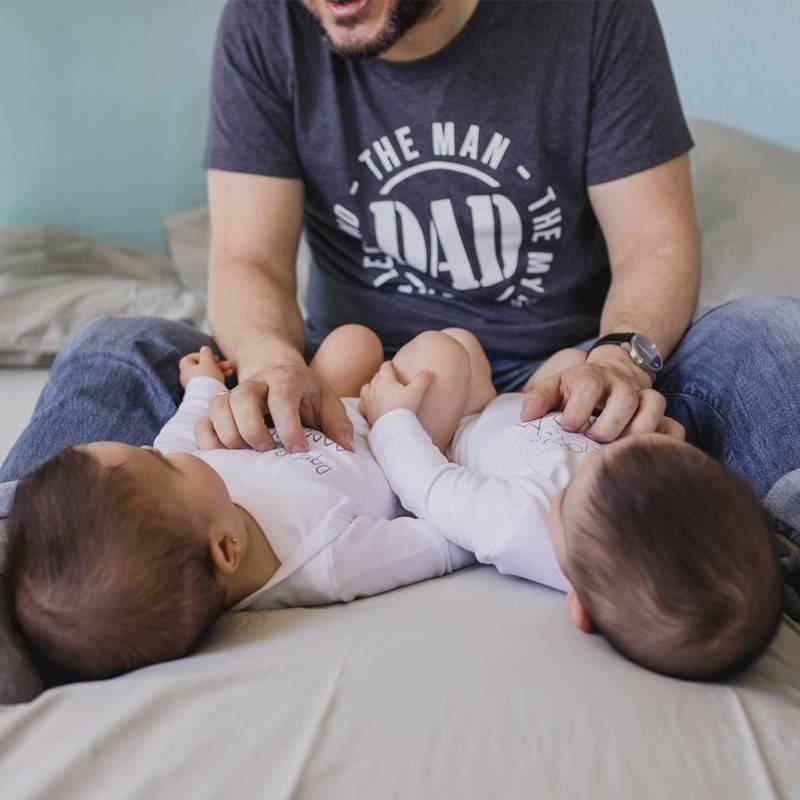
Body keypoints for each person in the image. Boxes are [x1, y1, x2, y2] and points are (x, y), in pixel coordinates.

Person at [1, 0, 798, 598]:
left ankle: (780, 558)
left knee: (770, 334)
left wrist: (622, 359)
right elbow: (246, 255)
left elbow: (655, 242)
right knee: (116, 343)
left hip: (548, 389)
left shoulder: (590, 13)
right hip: (341, 390)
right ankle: (24, 578)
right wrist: (275, 364)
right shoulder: (268, 21)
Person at [5, 325, 483, 681]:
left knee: (350, 343)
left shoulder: (187, 495)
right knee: (444, 352)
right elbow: (441, 541)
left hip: (323, 407)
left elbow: (188, 426)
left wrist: (204, 384)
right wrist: (410, 439)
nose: (154, 449)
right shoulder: (326, 560)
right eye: (163, 465)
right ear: (226, 548)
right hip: (388, 439)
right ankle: (473, 410)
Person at [357, 330, 783, 681]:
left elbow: (428, 484)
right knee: (565, 356)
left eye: (569, 497)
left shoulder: (515, 528)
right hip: (518, 408)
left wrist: (391, 419)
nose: (593, 458)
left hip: (451, 431)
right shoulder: (622, 508)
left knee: (442, 353)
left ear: (582, 610)